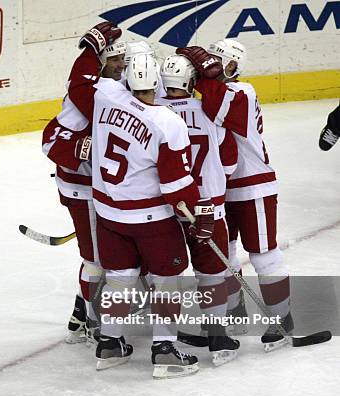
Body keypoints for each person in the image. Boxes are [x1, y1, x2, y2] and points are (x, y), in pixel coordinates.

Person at [68, 25, 214, 377]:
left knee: (119, 277)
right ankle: (164, 349)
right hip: (150, 219)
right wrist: (200, 214)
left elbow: (78, 85)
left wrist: (91, 49)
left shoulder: (105, 96)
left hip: (107, 214)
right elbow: (177, 183)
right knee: (167, 280)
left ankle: (110, 344)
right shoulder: (167, 121)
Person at [178, 40, 293, 351]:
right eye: (211, 62)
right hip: (222, 191)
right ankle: (231, 312)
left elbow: (216, 105)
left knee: (263, 254)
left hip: (253, 187)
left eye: (220, 63)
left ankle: (283, 319)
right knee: (223, 258)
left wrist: (204, 74)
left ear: (232, 66)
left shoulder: (243, 91)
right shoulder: (216, 92)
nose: (214, 68)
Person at [41, 33, 124, 344]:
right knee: (97, 261)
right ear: (101, 64)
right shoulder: (91, 96)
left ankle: (82, 311)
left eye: (122, 59)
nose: (120, 65)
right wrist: (82, 148)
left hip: (102, 191)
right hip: (83, 190)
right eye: (113, 59)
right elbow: (51, 140)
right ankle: (92, 321)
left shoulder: (110, 90)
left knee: (110, 257)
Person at [158, 54, 240, 365]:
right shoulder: (210, 113)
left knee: (167, 273)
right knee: (211, 274)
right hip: (210, 207)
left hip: (170, 209)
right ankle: (218, 337)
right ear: (192, 82)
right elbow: (229, 161)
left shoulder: (156, 114)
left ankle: (161, 339)